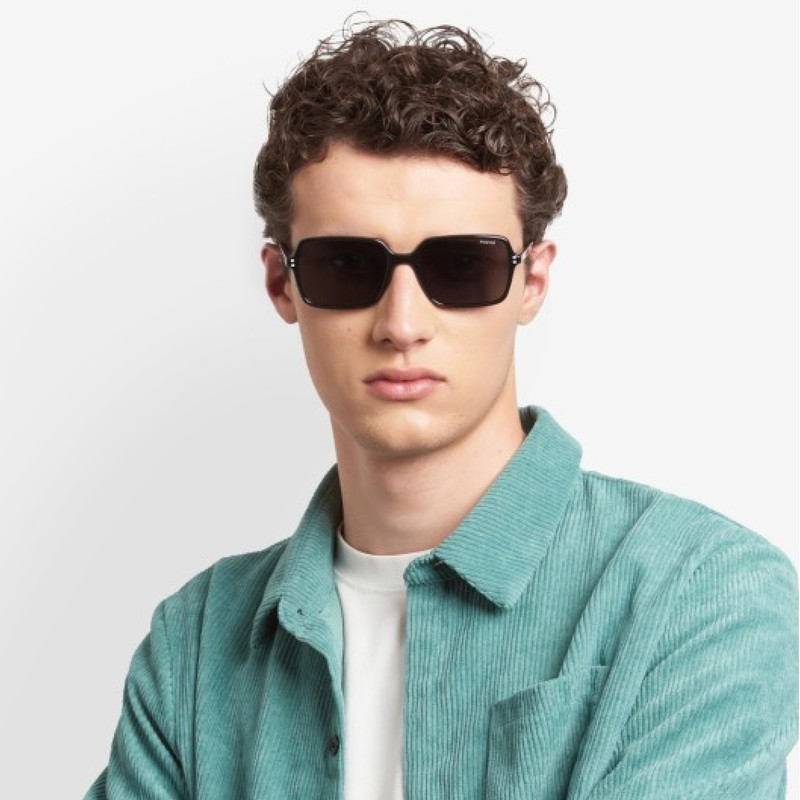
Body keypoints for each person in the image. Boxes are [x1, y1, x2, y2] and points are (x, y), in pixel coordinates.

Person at [84, 19, 798, 800]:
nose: (402, 324)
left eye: (461, 266)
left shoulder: (702, 594)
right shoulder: (195, 644)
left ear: (531, 282)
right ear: (282, 284)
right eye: (346, 265)